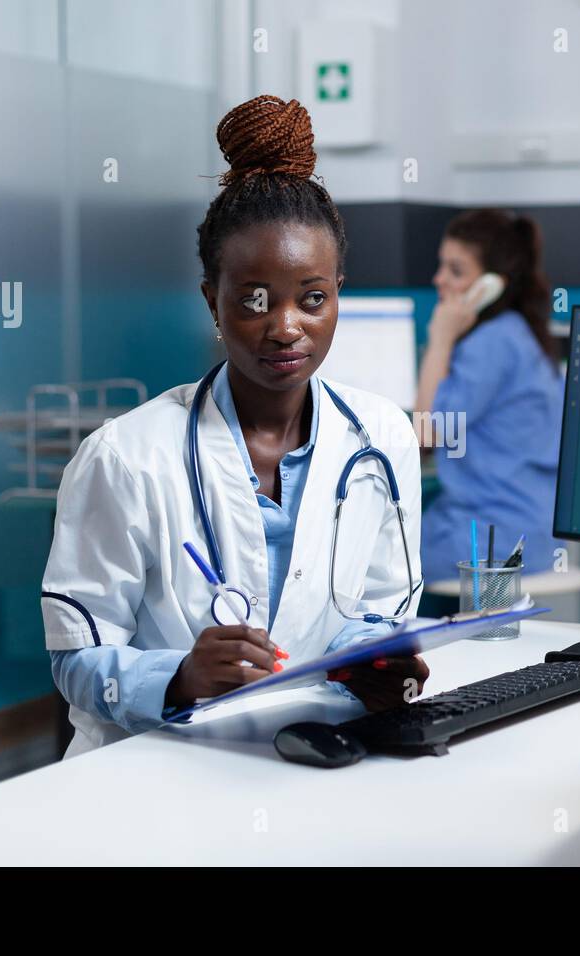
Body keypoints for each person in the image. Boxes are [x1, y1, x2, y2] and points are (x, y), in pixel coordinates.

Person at [41, 96, 426, 757]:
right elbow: (76, 661)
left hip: (310, 757)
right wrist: (181, 676)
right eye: (254, 299)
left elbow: (381, 614)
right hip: (153, 777)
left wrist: (376, 662)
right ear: (211, 301)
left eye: (312, 298)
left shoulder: (383, 439)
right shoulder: (126, 456)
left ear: (338, 293)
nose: (285, 326)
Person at [414, 209, 565, 586]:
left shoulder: (491, 344)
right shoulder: (522, 335)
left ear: (492, 285)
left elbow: (427, 435)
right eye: (440, 266)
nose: (439, 279)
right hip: (533, 535)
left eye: (456, 270)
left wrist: (440, 339)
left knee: (365, 561)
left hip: (492, 540)